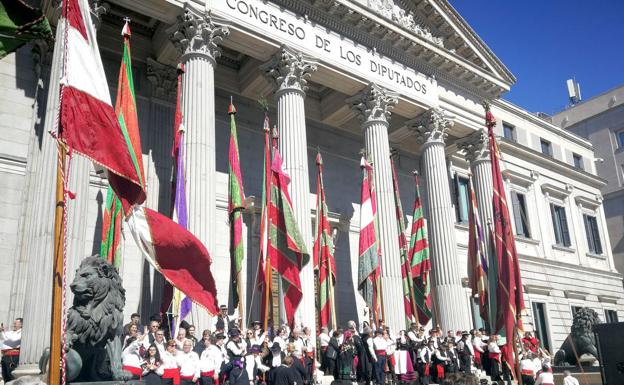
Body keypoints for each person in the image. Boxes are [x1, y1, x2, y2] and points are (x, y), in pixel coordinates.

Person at [0, 318, 22, 383]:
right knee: (5, 376)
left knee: (11, 375)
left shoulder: (21, 332)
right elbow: (3, 338)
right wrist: (1, 331)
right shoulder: (11, 332)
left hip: (12, 356)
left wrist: (3, 332)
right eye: (14, 323)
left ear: (21, 324)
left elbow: (13, 340)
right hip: (5, 356)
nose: (13, 325)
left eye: (15, 323)